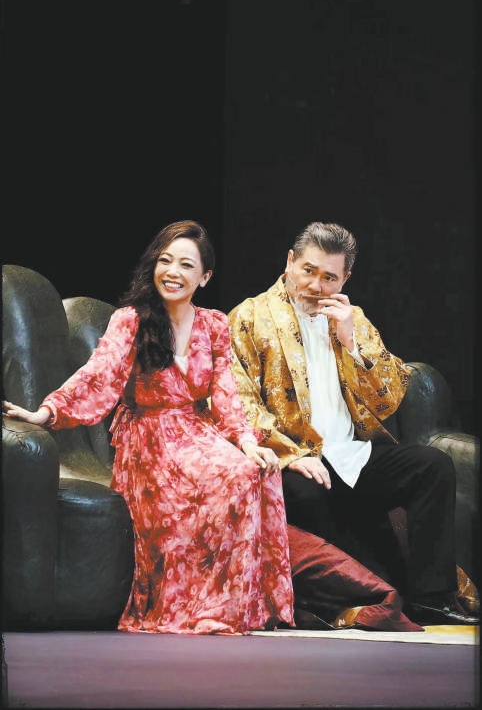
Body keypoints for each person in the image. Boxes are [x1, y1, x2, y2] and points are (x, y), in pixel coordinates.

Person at [3, 220, 423, 634]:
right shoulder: (131, 320)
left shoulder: (214, 324)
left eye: (186, 265)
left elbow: (226, 395)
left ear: (204, 276)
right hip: (151, 436)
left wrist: (248, 443)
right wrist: (47, 412)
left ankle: (242, 606)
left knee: (255, 469)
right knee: (228, 477)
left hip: (199, 431)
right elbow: (99, 376)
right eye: (166, 261)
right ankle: (192, 605)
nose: (173, 272)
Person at [228, 221, 479, 626]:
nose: (316, 285)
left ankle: (433, 597)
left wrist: (353, 343)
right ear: (290, 262)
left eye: (329, 277)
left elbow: (390, 395)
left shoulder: (352, 319)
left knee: (432, 466)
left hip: (353, 456)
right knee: (307, 493)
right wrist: (290, 455)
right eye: (308, 270)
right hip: (295, 459)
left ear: (345, 278)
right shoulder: (249, 316)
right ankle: (356, 596)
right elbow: (238, 400)